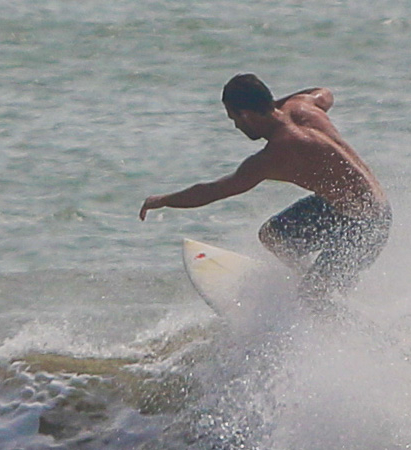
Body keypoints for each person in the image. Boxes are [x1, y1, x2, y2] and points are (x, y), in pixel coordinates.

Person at [140, 73, 390, 303]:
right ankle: (328, 286)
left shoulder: (276, 155)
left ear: (247, 114)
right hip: (354, 207)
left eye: (234, 118)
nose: (236, 126)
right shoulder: (304, 105)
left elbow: (213, 190)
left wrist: (164, 199)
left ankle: (337, 310)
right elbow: (325, 92)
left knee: (313, 298)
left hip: (367, 227)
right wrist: (271, 106)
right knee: (274, 235)